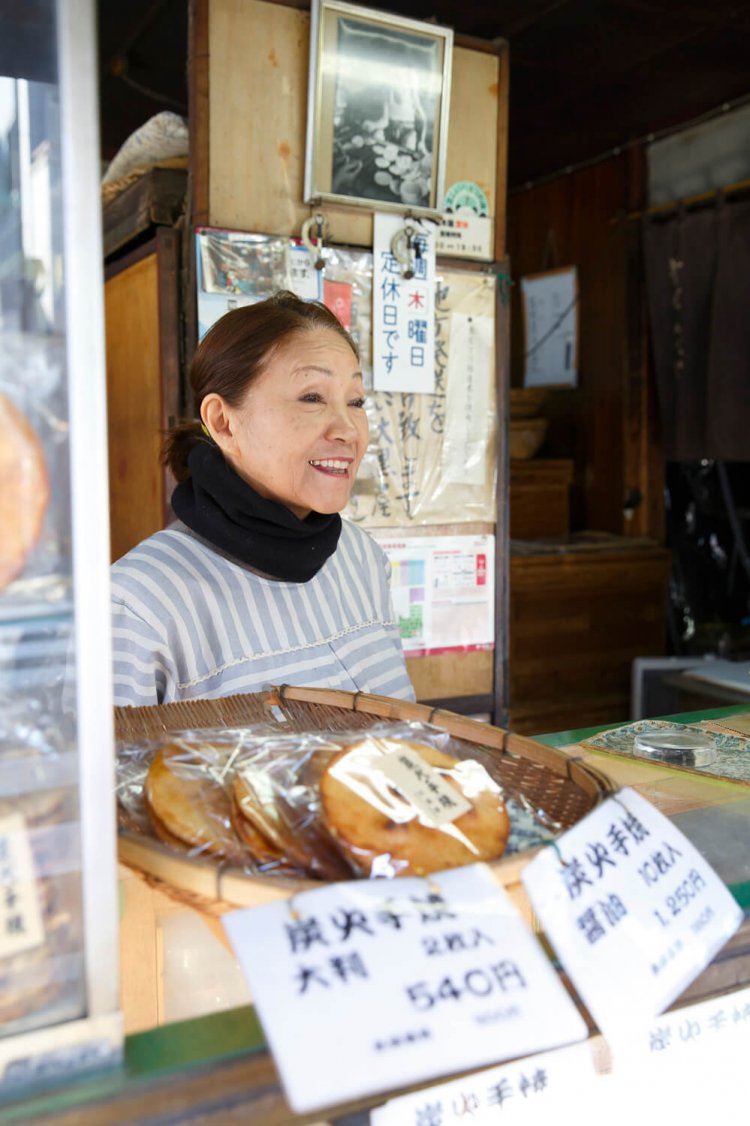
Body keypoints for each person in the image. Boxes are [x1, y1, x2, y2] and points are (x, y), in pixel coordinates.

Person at [110, 291, 414, 707]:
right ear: (223, 422)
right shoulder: (138, 603)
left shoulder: (361, 558)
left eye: (356, 401)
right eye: (312, 397)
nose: (348, 429)